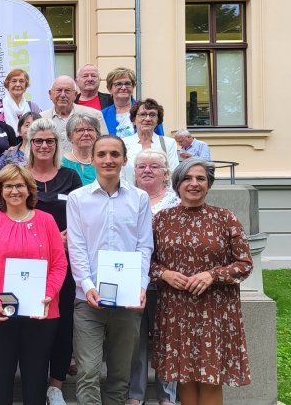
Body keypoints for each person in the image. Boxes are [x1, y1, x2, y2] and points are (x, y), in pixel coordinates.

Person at [151, 158, 253, 405]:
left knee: (210, 376)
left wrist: (212, 275)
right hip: (176, 310)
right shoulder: (161, 220)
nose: (193, 184)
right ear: (177, 184)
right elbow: (147, 261)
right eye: (187, 178)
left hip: (214, 310)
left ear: (209, 185)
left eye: (200, 179)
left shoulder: (225, 218)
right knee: (184, 376)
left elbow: (245, 263)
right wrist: (164, 273)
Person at [67, 135, 152, 405]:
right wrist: (87, 286)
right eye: (101, 154)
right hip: (88, 299)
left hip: (128, 301)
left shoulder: (139, 198)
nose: (108, 160)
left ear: (124, 160)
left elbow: (144, 246)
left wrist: (140, 286)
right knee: (89, 371)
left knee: (119, 375)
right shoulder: (78, 198)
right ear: (92, 160)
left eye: (114, 154)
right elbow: (76, 247)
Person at [0, 164, 68, 405]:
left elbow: (59, 264)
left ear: (29, 190)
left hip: (40, 312)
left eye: (19, 185)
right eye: (8, 186)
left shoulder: (47, 222)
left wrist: (47, 295)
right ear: (0, 191)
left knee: (36, 382)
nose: (14, 191)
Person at [21, 119, 84, 405]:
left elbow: (80, 217)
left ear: (57, 145)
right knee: (31, 321)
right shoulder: (20, 175)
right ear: (30, 145)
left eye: (49, 141)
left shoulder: (70, 177)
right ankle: (32, 380)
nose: (44, 146)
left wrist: (63, 238)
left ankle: (56, 384)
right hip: (27, 260)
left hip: (63, 261)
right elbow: (10, 213)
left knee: (62, 321)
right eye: (38, 141)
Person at [127, 149, 179, 405]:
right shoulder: (127, 199)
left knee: (166, 339)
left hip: (167, 282)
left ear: (166, 173)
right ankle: (135, 395)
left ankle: (167, 395)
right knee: (135, 339)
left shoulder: (177, 202)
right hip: (133, 278)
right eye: (142, 166)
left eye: (154, 166)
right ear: (134, 172)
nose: (147, 170)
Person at [40, 76, 108, 152]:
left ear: (75, 94)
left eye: (67, 91)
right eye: (59, 90)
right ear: (50, 94)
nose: (62, 95)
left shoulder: (94, 115)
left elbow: (104, 145)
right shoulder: (41, 118)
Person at [120, 99, 180, 184]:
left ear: (157, 121)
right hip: (130, 194)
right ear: (133, 120)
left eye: (152, 115)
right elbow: (120, 174)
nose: (148, 119)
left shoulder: (168, 143)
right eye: (143, 114)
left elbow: (173, 174)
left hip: (161, 195)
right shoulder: (123, 143)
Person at [62, 112, 102, 185]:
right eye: (80, 130)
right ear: (70, 136)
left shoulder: (103, 162)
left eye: (90, 129)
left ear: (97, 135)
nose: (86, 134)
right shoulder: (61, 164)